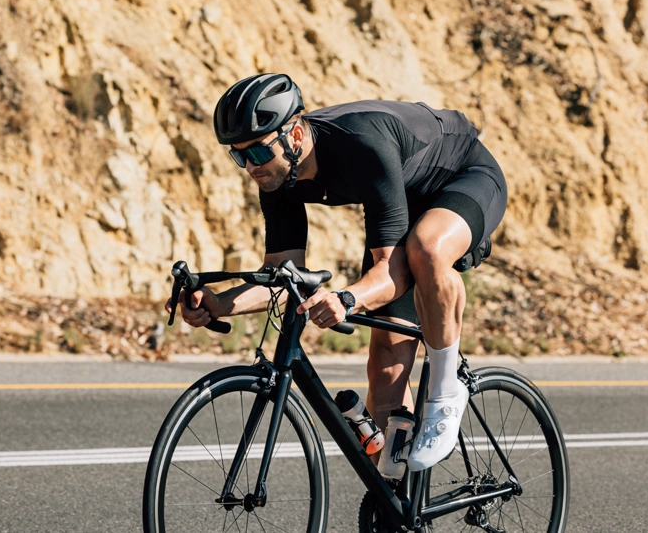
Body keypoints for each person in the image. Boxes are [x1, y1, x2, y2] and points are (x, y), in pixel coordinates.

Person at [168, 73, 507, 471]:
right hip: (400, 195)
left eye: (257, 152)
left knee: (426, 248)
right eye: (238, 156)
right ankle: (393, 491)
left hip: (463, 176)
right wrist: (219, 303)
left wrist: (347, 299)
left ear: (295, 136)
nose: (250, 167)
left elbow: (391, 272)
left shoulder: (361, 144)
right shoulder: (277, 176)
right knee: (386, 366)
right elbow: (283, 274)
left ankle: (446, 395)